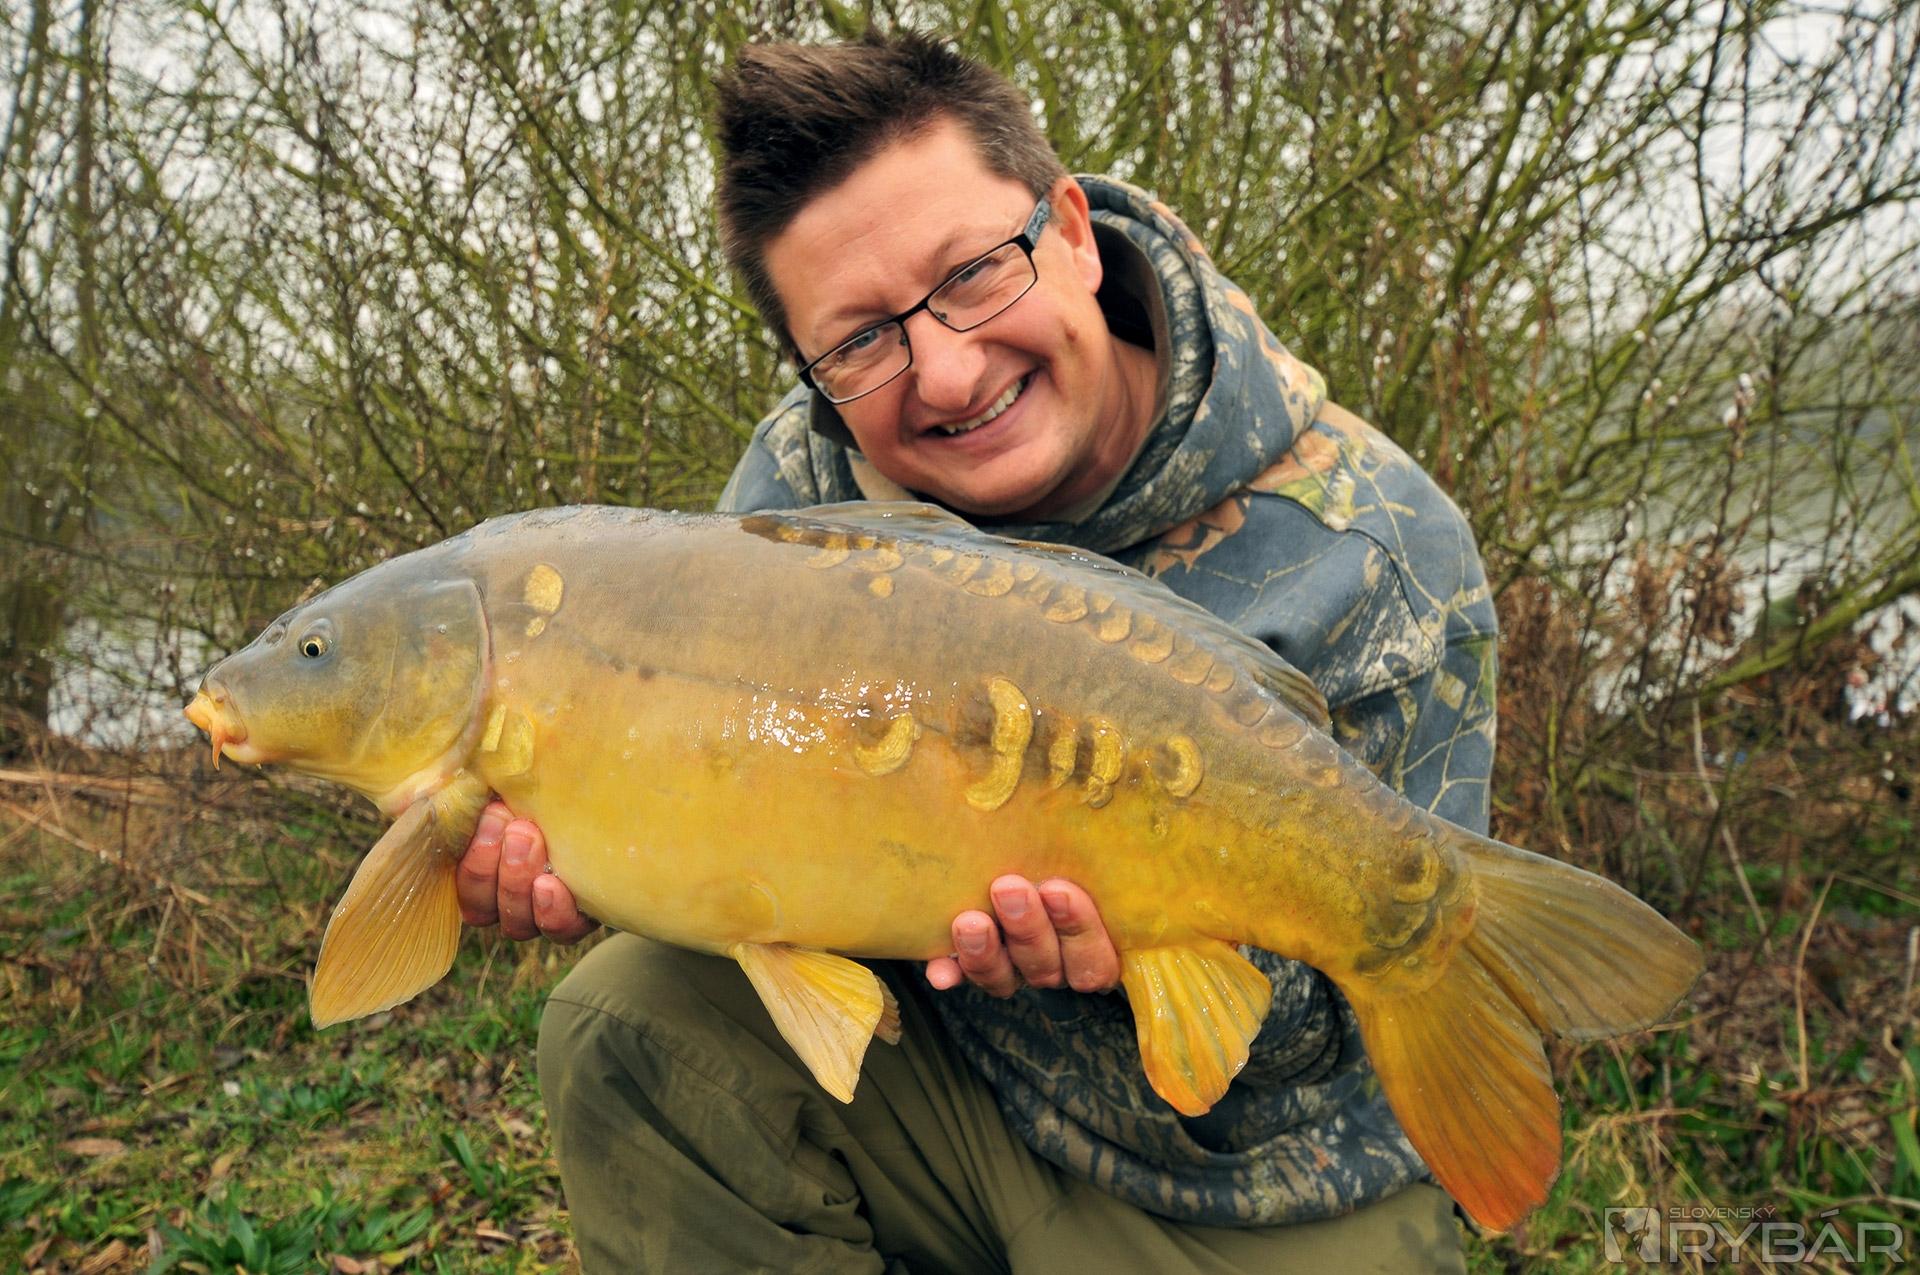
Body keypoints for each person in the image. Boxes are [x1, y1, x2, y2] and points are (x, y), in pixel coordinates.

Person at [456, 29, 1497, 1274]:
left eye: (972, 274)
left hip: (1252, 1184)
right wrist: (605, 845)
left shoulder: (1371, 544)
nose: (946, 373)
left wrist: (1130, 952)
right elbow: (763, 867)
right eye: (859, 341)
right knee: (629, 1021)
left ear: (1072, 232)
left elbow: (1330, 1041)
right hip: (950, 1104)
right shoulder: (799, 496)